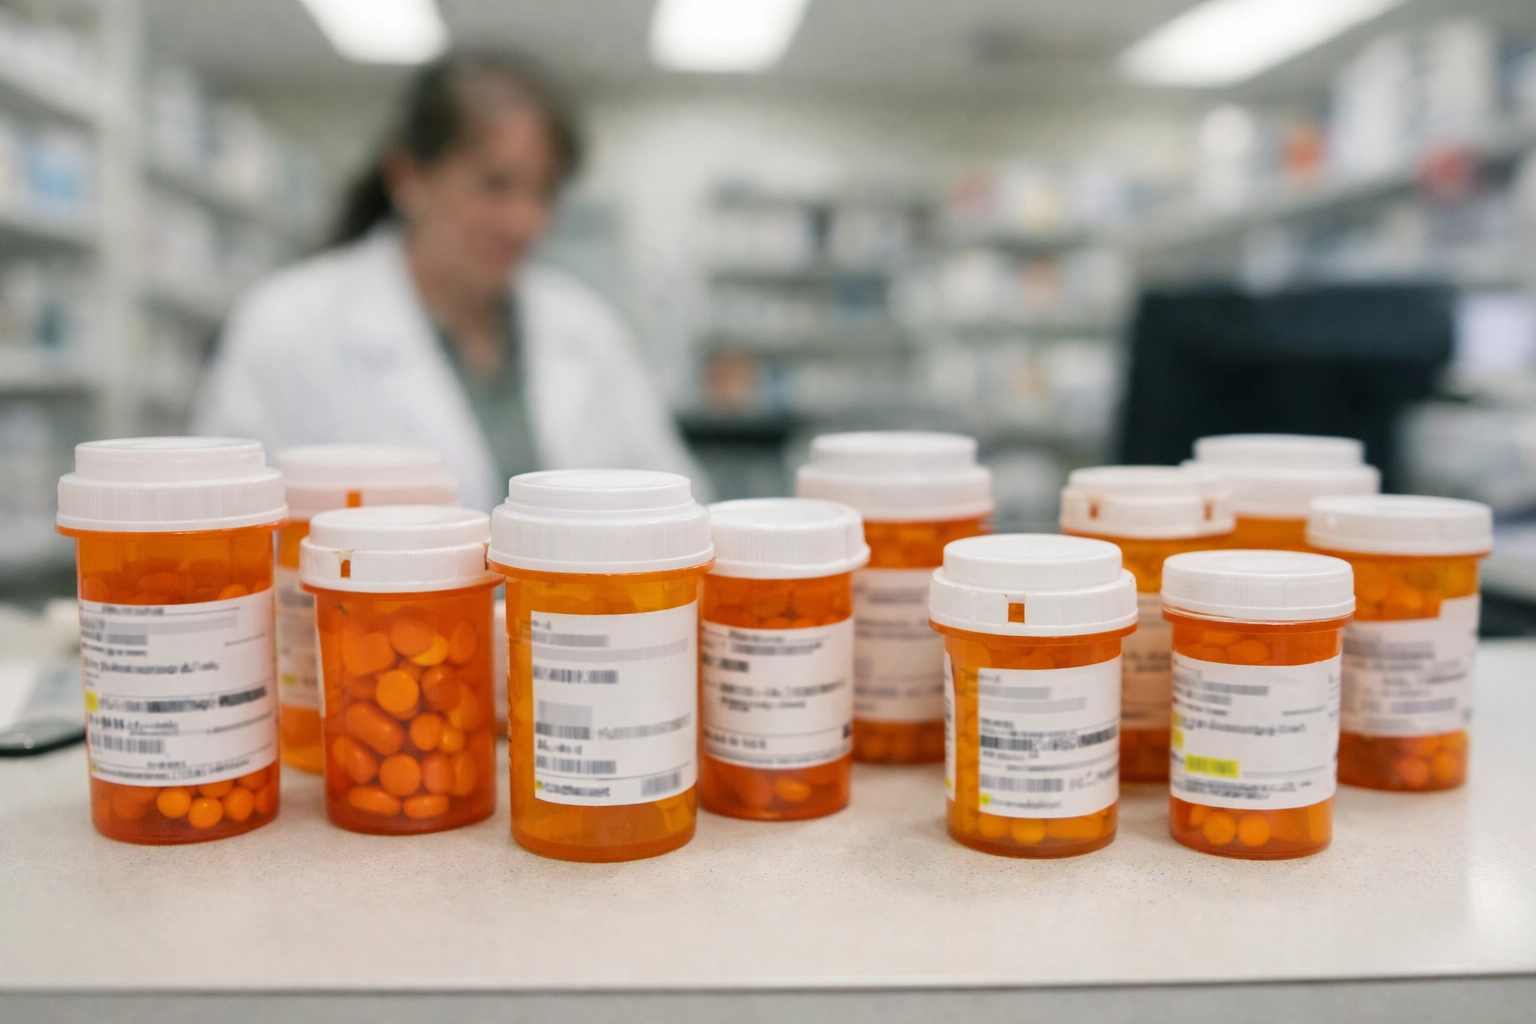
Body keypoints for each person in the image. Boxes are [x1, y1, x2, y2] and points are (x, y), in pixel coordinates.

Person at [192, 50, 707, 510]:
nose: (525, 220)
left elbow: (681, 503)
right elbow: (219, 522)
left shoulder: (585, 329)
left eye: (544, 192)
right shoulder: (287, 324)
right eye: (495, 184)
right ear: (408, 175)